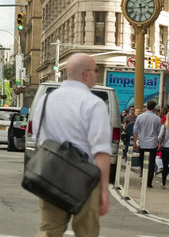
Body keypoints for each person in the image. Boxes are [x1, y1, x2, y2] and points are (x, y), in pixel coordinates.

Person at [31, 53, 111, 236]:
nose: (97, 74)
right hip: (84, 178)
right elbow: (101, 152)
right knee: (86, 232)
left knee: (49, 229)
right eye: (96, 70)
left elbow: (39, 141)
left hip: (50, 174)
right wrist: (104, 191)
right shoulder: (94, 104)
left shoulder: (45, 101)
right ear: (86, 74)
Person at [133, 100, 161, 187]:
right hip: (152, 143)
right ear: (154, 107)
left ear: (146, 107)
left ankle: (143, 177)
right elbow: (159, 132)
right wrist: (159, 143)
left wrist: (135, 143)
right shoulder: (157, 118)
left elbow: (135, 130)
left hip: (143, 143)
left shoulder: (140, 117)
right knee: (151, 163)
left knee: (142, 162)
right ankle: (149, 182)